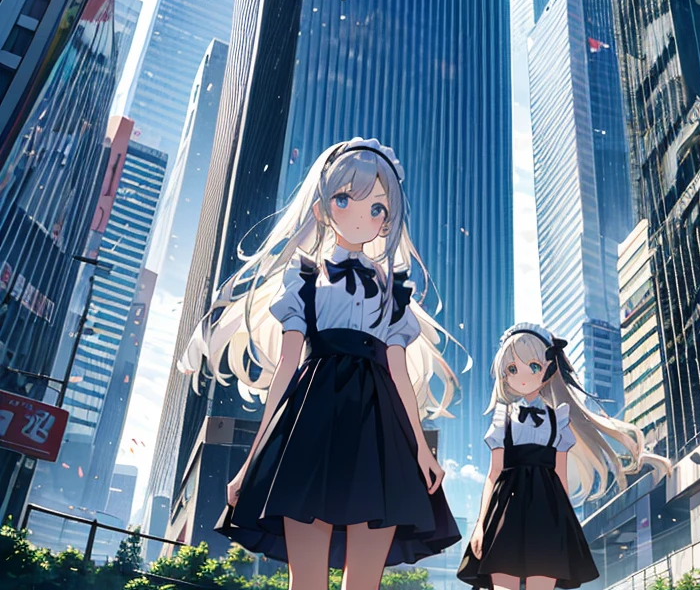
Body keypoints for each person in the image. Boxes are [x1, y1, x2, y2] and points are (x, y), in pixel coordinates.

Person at [181, 138, 462, 590]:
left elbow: (400, 374)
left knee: (363, 583)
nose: (360, 216)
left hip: (377, 427)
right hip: (310, 422)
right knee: (306, 581)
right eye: (345, 199)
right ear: (321, 209)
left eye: (377, 209)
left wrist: (421, 450)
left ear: (388, 221)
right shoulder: (303, 281)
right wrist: (251, 460)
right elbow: (284, 374)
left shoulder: (393, 288)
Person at [458, 323, 669, 590]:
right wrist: (480, 525)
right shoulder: (503, 417)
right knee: (502, 583)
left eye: (533, 366)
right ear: (504, 374)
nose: (522, 376)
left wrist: (566, 527)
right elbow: (493, 474)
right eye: (512, 369)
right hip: (505, 511)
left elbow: (560, 477)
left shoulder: (558, 420)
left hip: (547, 511)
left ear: (548, 369)